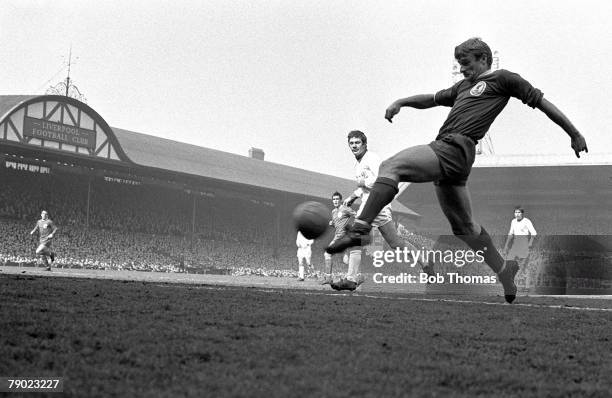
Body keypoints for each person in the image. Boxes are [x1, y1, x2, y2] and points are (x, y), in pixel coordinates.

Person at [326, 37, 588, 303]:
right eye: (459, 64)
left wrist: (574, 133)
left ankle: (360, 226)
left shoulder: (503, 79)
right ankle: (504, 269)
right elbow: (431, 98)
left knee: (390, 166)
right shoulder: (463, 86)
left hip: (454, 146)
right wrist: (401, 102)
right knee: (464, 228)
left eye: (467, 63)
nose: (463, 69)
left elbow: (541, 102)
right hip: (453, 155)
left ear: (484, 59)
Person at [331, 130, 432, 291]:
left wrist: (364, 182)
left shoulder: (372, 158)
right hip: (374, 204)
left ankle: (351, 278)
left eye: (357, 142)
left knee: (356, 237)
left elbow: (383, 179)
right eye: (351, 143)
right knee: (396, 243)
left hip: (376, 204)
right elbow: (363, 189)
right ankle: (426, 264)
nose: (354, 145)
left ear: (364, 144)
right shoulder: (358, 164)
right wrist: (352, 197)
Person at [322, 191, 362, 287]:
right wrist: (332, 224)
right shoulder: (333, 212)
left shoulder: (345, 209)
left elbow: (357, 216)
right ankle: (329, 278)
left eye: (337, 199)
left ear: (340, 200)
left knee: (333, 255)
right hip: (337, 237)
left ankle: (357, 277)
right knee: (332, 256)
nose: (335, 201)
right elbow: (338, 225)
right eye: (334, 199)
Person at [503, 206, 537, 283]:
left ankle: (526, 285)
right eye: (515, 212)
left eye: (519, 212)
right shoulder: (513, 221)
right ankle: (513, 281)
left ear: (522, 213)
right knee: (509, 261)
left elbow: (534, 233)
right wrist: (506, 246)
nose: (517, 214)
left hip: (524, 244)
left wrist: (530, 243)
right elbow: (510, 234)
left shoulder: (526, 221)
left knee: (523, 266)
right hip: (515, 244)